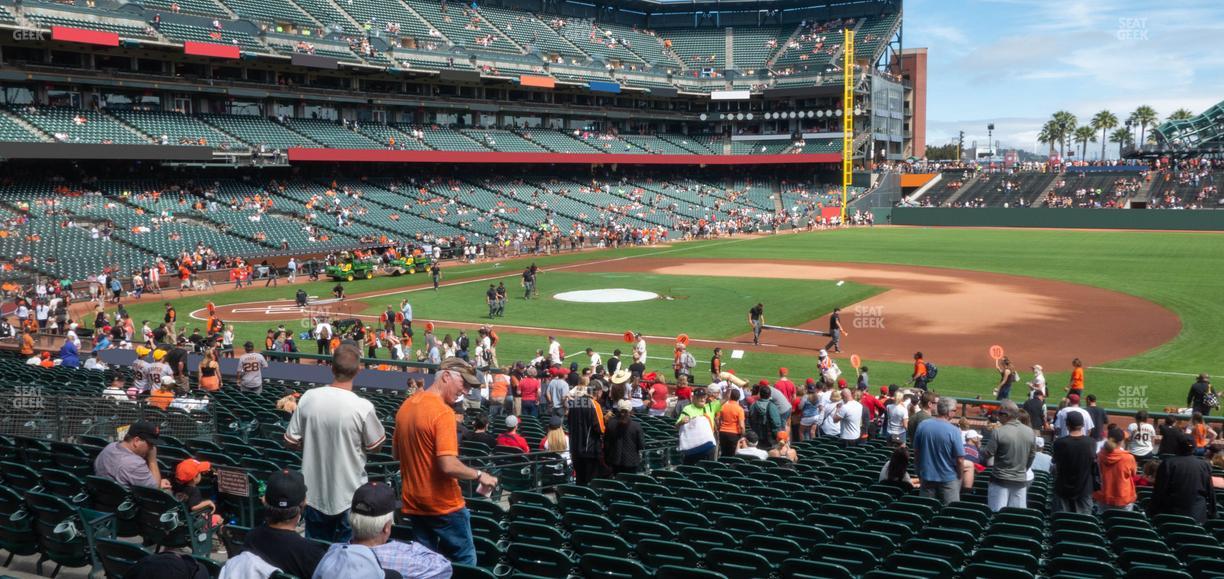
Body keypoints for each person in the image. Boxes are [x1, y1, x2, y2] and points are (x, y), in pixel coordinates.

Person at [394, 357, 496, 565]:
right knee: (465, 560)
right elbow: (448, 464)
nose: (466, 391)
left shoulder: (407, 405)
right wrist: (479, 475)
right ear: (447, 376)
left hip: (414, 503)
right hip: (444, 506)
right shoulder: (443, 413)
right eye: (464, 384)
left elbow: (396, 454)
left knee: (426, 565)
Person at [285, 343, 386, 542]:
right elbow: (376, 445)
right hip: (350, 496)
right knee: (346, 559)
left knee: (317, 555)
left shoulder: (309, 397)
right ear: (358, 370)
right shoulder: (362, 406)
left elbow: (290, 440)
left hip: (313, 494)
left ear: (331, 367)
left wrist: (312, 443)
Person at [338, 481, 450, 579]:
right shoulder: (410, 560)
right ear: (386, 527)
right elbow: (445, 568)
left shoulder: (333, 554)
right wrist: (413, 546)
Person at [1147, 431, 1216, 523]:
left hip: (1170, 516)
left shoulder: (1168, 464)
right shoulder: (1204, 465)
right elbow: (1210, 491)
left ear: (1177, 446)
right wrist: (1214, 513)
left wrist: (1151, 511)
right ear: (1194, 448)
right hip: (1196, 517)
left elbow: (1159, 491)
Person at [980, 400, 1036, 512]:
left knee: (996, 515)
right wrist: (1022, 469)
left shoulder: (998, 432)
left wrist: (978, 448)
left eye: (1000, 413)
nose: (997, 416)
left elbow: (987, 454)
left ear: (1006, 415)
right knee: (1016, 517)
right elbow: (1031, 456)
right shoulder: (1030, 432)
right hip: (1020, 481)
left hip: (1000, 480)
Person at [912, 397, 964, 504]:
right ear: (949, 412)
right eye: (954, 410)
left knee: (926, 511)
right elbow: (960, 460)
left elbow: (916, 452)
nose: (955, 413)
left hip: (927, 477)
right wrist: (960, 476)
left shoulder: (923, 425)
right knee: (950, 513)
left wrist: (918, 472)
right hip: (948, 479)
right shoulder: (954, 431)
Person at [94, 421, 170, 490]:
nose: (152, 448)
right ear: (136, 441)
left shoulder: (110, 447)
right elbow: (155, 489)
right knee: (166, 491)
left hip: (102, 496)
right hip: (122, 502)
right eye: (150, 444)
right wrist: (152, 461)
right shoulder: (135, 464)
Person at [1051, 411, 1096, 514]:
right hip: (1084, 489)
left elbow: (1055, 464)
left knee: (1062, 523)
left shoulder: (1059, 443)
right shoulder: (1091, 443)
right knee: (1082, 525)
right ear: (1083, 425)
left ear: (1067, 424)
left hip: (1062, 488)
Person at [566, 383, 605, 484]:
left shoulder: (574, 403)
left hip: (574, 449)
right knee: (590, 482)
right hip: (589, 451)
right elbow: (600, 429)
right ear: (598, 392)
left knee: (580, 481)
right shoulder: (594, 404)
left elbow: (569, 423)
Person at [1094, 428, 1137, 512]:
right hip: (1123, 497)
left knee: (1104, 522)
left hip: (1103, 496)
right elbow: (1133, 474)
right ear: (1121, 441)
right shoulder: (1128, 457)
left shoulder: (1099, 455)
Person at [676, 387, 716, 465]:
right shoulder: (687, 408)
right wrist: (681, 421)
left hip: (707, 447)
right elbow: (677, 426)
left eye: (704, 397)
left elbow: (725, 399)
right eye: (700, 397)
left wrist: (729, 389)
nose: (702, 399)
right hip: (692, 448)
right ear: (694, 398)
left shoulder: (710, 407)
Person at [604, 399, 644, 474]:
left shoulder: (610, 424)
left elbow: (606, 444)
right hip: (631, 462)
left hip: (614, 461)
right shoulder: (636, 426)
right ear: (630, 411)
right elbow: (641, 445)